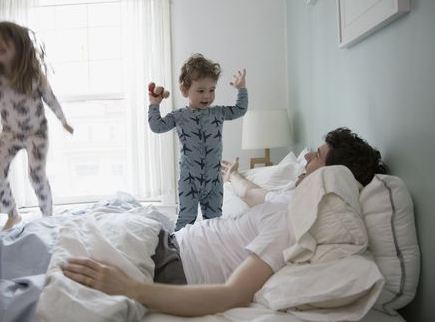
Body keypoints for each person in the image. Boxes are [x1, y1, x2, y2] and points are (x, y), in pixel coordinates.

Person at [61, 127, 387, 317]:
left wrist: (128, 288)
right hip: (167, 243)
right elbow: (254, 194)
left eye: (316, 156)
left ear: (330, 175)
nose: (305, 159)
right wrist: (234, 177)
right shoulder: (289, 199)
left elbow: (233, 294)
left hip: (172, 263)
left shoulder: (294, 221)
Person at [0, 21, 74, 230]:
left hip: (36, 134)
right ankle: (12, 214)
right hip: (10, 134)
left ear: (19, 45)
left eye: (4, 39)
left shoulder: (33, 75)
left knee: (36, 175)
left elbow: (50, 98)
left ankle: (48, 216)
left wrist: (63, 120)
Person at [148, 53, 248, 230]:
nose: (207, 96)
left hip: (214, 180)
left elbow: (240, 110)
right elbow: (157, 126)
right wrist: (154, 105)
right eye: (201, 90)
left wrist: (242, 89)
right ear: (185, 90)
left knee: (214, 221)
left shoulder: (218, 112)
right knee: (186, 219)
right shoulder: (179, 116)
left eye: (212, 89)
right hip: (189, 180)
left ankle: (209, 249)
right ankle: (177, 250)